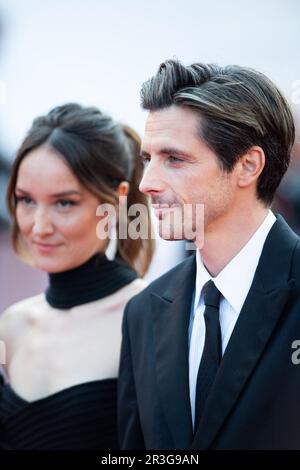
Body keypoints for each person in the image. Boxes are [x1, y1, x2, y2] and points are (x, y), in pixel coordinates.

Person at [118, 60, 300, 450]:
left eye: (175, 159)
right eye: (147, 159)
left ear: (248, 165)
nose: (147, 184)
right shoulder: (144, 313)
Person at [0, 103, 154, 450]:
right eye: (26, 200)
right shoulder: (13, 324)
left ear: (116, 203)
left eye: (64, 203)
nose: (38, 227)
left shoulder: (151, 319)